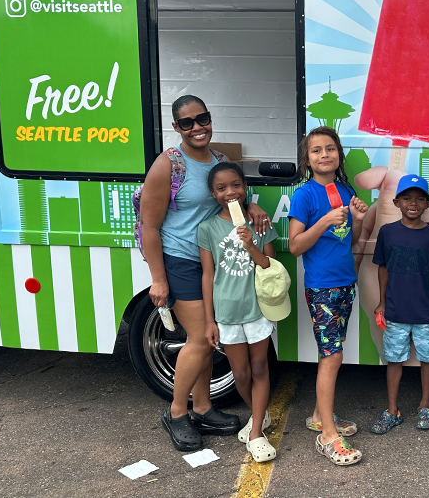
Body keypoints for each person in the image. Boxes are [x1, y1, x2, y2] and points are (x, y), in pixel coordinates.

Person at [140, 95, 271, 451]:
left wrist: (254, 203)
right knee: (200, 338)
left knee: (206, 342)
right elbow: (149, 225)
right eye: (187, 123)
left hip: (216, 258)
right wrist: (158, 278)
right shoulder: (169, 164)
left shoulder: (220, 160)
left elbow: (235, 195)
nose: (197, 127)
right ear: (176, 128)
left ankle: (202, 407)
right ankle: (177, 412)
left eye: (203, 119)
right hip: (181, 260)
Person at [287, 126, 369, 466]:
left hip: (345, 283)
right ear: (307, 159)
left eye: (330, 149)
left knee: (333, 351)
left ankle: (321, 417)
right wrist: (323, 221)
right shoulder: (304, 195)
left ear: (338, 155)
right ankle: (327, 436)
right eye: (317, 150)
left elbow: (348, 241)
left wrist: (360, 220)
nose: (325, 154)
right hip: (321, 287)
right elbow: (294, 246)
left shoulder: (344, 189)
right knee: (331, 356)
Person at [198, 162, 283, 462]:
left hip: (257, 308)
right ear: (213, 193)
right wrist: (209, 320)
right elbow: (208, 275)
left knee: (260, 368)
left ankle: (257, 430)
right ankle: (259, 414)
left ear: (245, 187)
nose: (229, 192)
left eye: (235, 185)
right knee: (241, 373)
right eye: (221, 188)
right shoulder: (207, 228)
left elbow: (269, 268)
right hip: (226, 311)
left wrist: (250, 244)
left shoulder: (260, 224)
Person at [369, 174, 429, 434]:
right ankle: (392, 410)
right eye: (407, 198)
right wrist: (381, 302)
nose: (413, 203)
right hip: (395, 311)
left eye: (419, 199)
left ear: (427, 204)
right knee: (393, 360)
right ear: (396, 201)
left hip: (425, 312)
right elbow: (383, 269)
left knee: (428, 359)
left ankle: (426, 405)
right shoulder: (387, 232)